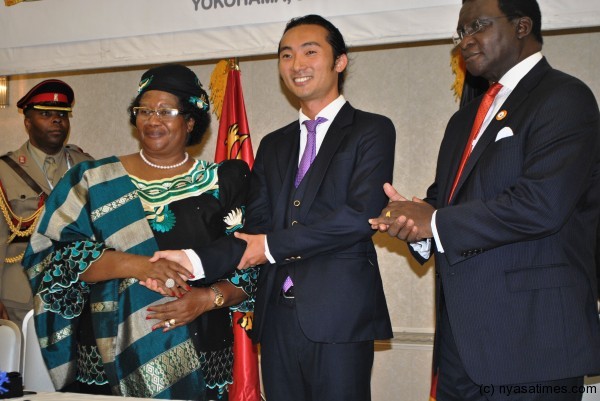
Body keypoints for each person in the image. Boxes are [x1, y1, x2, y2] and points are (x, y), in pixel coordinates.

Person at [157, 14, 395, 401]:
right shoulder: (273, 144)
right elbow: (254, 228)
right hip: (276, 317)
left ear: (340, 61)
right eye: (286, 55)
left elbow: (357, 218)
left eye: (310, 52)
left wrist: (268, 246)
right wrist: (192, 260)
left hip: (339, 315)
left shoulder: (372, 130)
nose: (296, 64)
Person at [370, 0, 600, 400]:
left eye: (477, 26)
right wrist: (412, 222)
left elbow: (540, 204)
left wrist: (435, 222)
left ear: (522, 25)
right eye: (460, 33)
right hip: (461, 346)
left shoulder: (565, 97)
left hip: (532, 343)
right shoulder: (466, 117)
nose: (466, 41)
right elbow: (445, 200)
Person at [22, 64, 257, 400]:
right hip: (108, 355)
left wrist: (207, 299)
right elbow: (52, 261)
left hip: (200, 347)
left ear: (190, 121)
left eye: (166, 111)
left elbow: (252, 271)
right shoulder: (91, 180)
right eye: (144, 110)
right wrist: (139, 265)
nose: (152, 119)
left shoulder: (225, 182)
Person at [0, 79, 92, 329]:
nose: (57, 120)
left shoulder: (87, 166)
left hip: (76, 291)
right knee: (17, 367)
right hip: (21, 295)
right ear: (27, 122)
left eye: (62, 114)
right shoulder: (4, 171)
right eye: (46, 114)